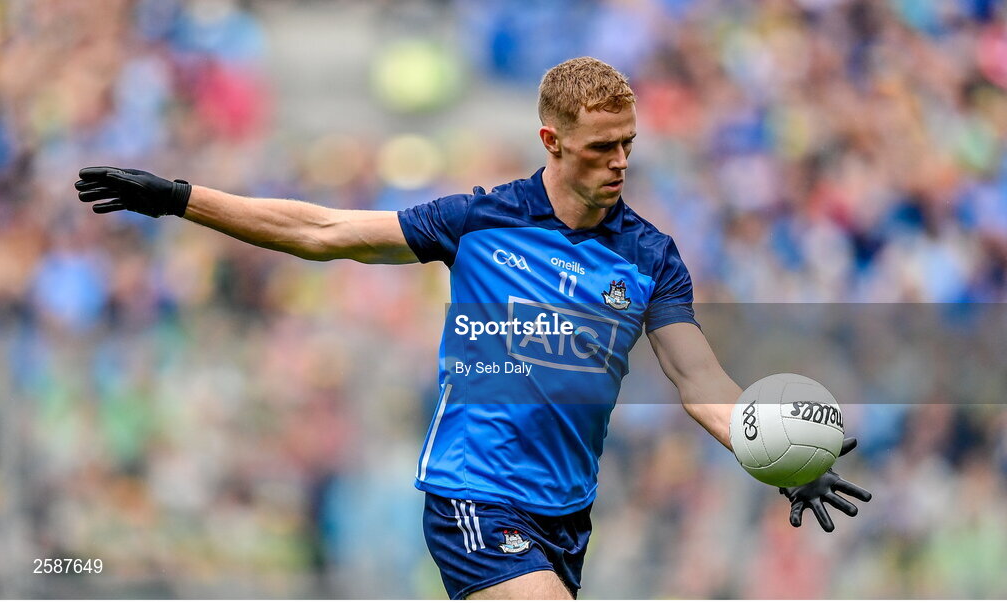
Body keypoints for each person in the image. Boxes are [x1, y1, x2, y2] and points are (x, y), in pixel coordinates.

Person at [76, 57, 871, 600]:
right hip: (474, 496)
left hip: (565, 515)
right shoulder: (478, 222)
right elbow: (322, 229)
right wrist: (181, 197)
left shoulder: (651, 256)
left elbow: (702, 384)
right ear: (552, 143)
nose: (621, 162)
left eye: (629, 143)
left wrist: (770, 452)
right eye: (601, 148)